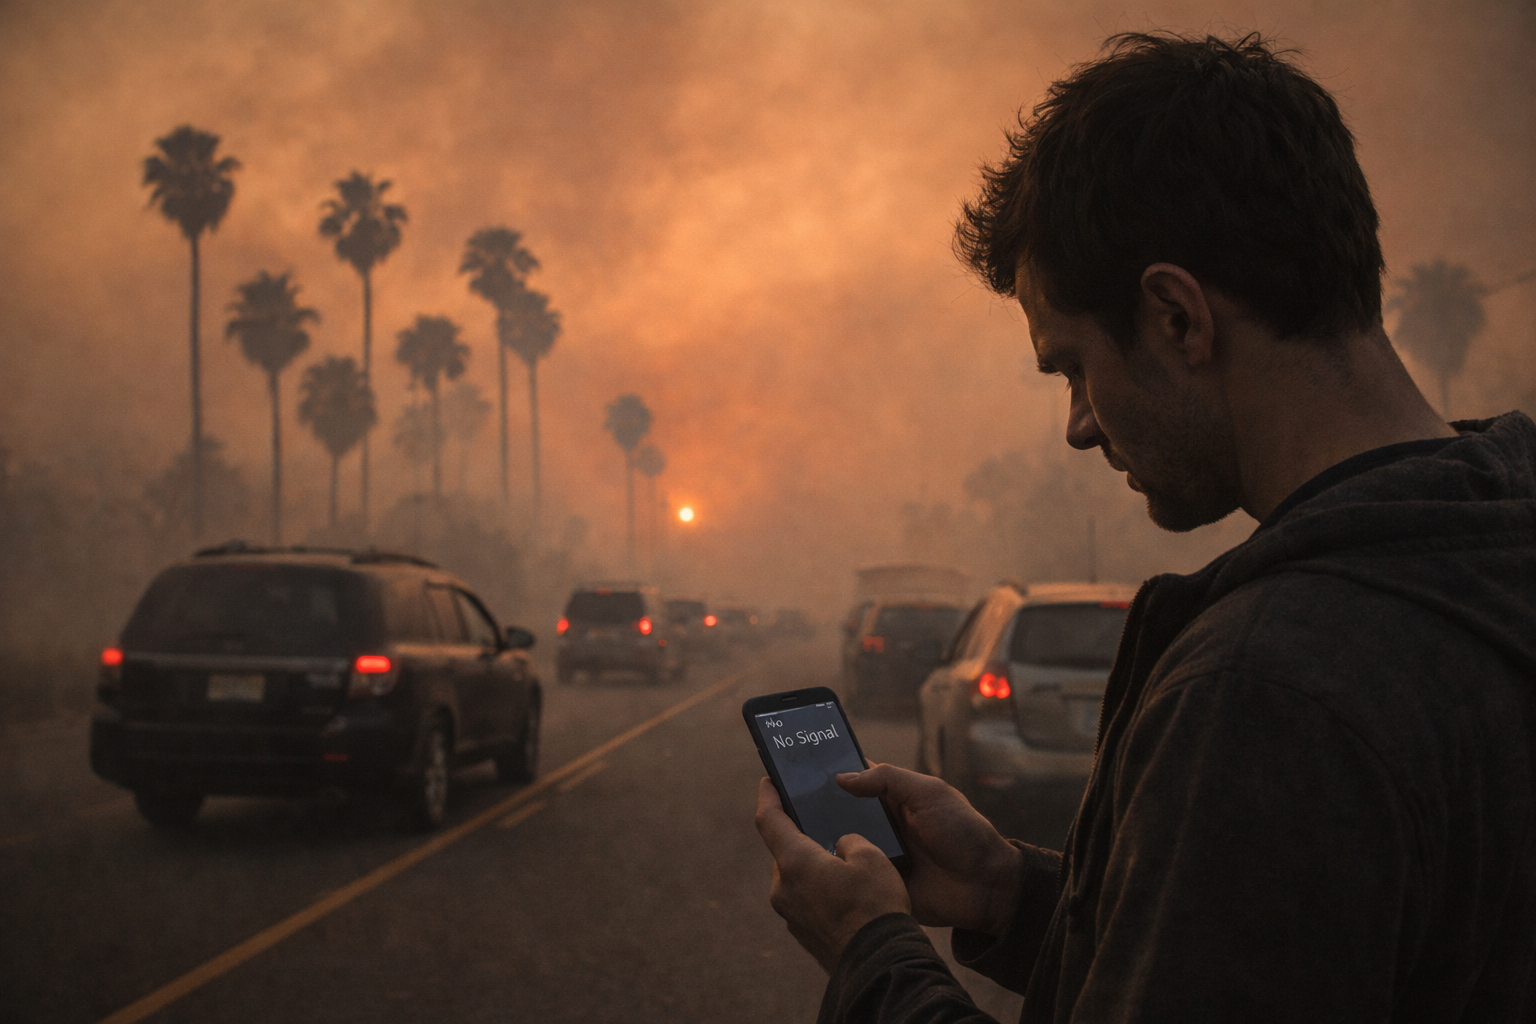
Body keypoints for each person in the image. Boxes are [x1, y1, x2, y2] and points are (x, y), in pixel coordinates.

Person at [755, 30, 1536, 1022]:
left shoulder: (1265, 693)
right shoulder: (1494, 552)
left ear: (1176, 317)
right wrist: (1017, 894)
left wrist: (871, 952)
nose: (1079, 425)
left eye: (1073, 366)